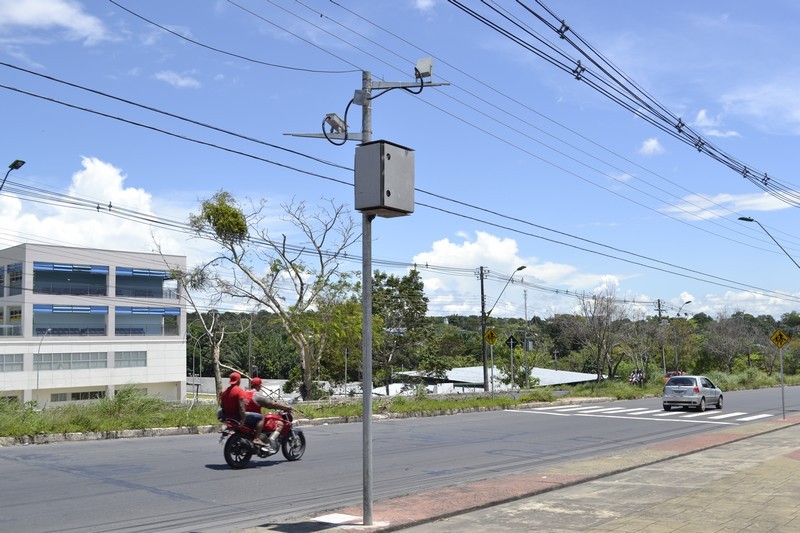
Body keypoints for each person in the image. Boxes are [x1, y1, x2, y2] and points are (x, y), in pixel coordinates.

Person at [245, 376, 293, 452]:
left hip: (245, 419)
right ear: (258, 385)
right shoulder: (256, 395)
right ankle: (270, 442)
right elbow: (271, 404)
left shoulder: (245, 393)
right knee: (280, 424)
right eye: (260, 385)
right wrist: (285, 407)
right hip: (255, 420)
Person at [219, 371, 266, 446]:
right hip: (237, 416)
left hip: (228, 417)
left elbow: (222, 406)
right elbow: (241, 407)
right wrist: (243, 419)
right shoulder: (239, 391)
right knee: (261, 418)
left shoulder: (224, 392)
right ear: (239, 380)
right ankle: (257, 438)